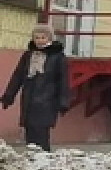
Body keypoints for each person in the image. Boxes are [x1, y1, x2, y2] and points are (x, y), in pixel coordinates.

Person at [2, 23, 71, 151]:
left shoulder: (57, 57)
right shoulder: (28, 55)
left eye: (43, 37)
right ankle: (32, 161)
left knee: (41, 134)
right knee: (30, 134)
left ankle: (44, 161)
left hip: (47, 101)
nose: (39, 40)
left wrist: (63, 101)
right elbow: (17, 76)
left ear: (50, 38)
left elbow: (63, 81)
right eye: (37, 37)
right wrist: (8, 96)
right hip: (29, 100)